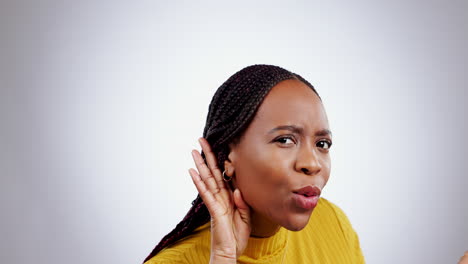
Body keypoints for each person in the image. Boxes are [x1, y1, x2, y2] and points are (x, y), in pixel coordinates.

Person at [143, 64, 365, 263]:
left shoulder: (334, 224)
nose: (312, 164)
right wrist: (223, 257)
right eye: (285, 140)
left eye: (322, 144)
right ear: (229, 155)